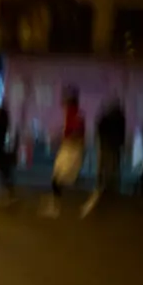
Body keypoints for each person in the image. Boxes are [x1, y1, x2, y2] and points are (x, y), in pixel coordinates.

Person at [43, 89, 85, 217]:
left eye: (66, 103)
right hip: (68, 149)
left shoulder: (75, 116)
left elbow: (77, 134)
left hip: (71, 150)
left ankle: (56, 207)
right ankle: (55, 205)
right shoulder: (72, 115)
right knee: (57, 178)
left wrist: (65, 138)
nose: (63, 106)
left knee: (58, 178)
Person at [82, 100, 126, 217]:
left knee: (104, 166)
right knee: (112, 167)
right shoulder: (119, 119)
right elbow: (121, 135)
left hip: (105, 145)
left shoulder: (106, 119)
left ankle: (101, 187)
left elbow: (99, 127)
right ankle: (110, 188)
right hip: (113, 146)